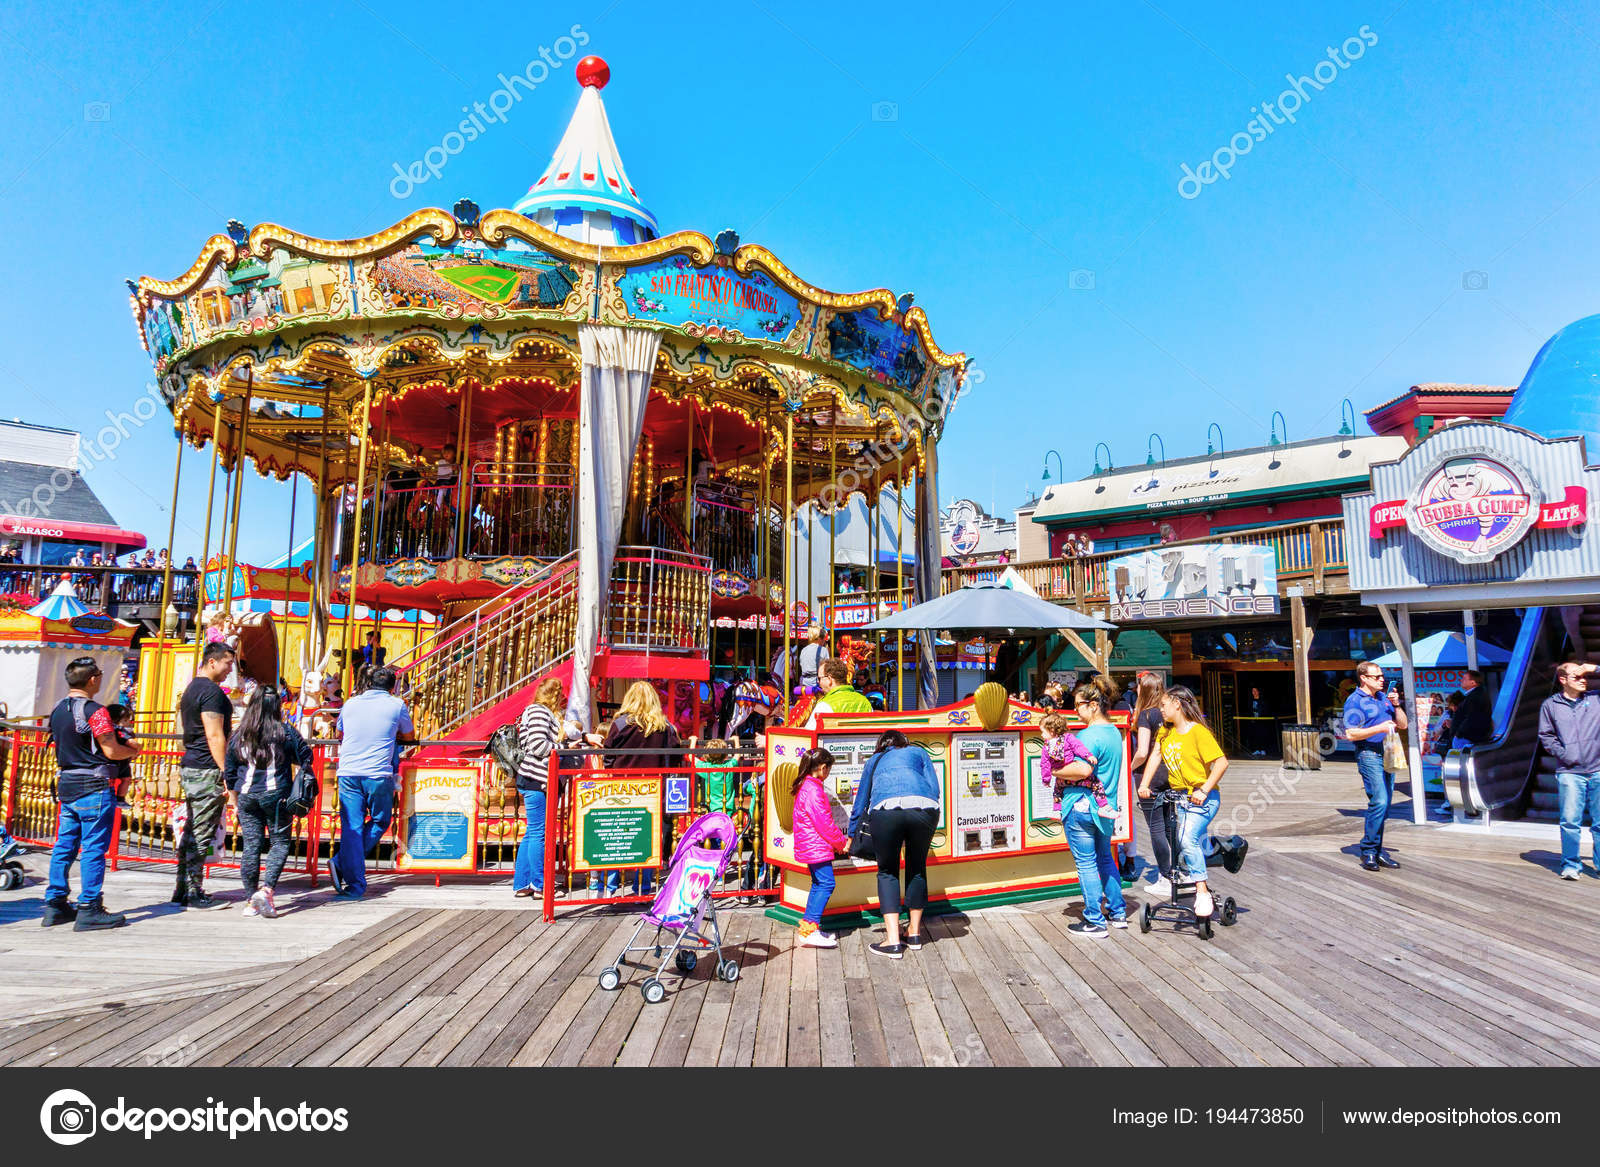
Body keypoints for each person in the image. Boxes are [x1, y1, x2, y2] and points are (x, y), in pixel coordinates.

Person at [42, 656, 142, 930]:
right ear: (93, 679)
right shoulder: (95, 711)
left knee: (64, 846)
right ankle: (90, 906)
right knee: (94, 849)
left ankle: (55, 903)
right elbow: (110, 750)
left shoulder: (58, 709)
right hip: (93, 786)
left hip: (67, 783)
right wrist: (133, 750)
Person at [847, 730, 941, 959]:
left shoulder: (875, 759)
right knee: (917, 868)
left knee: (888, 871)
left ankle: (892, 941)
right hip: (925, 808)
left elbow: (862, 800)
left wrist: (852, 833)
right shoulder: (918, 752)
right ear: (904, 742)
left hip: (886, 811)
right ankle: (915, 934)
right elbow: (935, 789)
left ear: (881, 745)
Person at [225, 685, 314, 918]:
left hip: (246, 794)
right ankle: (266, 890)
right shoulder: (285, 731)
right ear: (277, 706)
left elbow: (230, 770)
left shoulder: (239, 734)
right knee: (280, 842)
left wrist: (234, 800)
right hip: (276, 794)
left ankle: (250, 900)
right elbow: (306, 756)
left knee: (251, 846)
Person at [330, 666, 416, 898]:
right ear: (392, 687)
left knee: (353, 827)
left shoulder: (350, 703)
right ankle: (342, 864)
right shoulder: (396, 705)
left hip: (348, 771)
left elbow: (341, 733)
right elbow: (409, 735)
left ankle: (353, 880)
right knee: (380, 820)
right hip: (377, 772)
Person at [592, 681, 681, 897]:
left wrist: (614, 772)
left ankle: (609, 888)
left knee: (617, 836)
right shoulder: (665, 726)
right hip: (653, 788)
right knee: (649, 837)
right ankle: (643, 887)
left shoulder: (621, 724)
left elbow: (608, 755)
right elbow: (675, 755)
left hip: (623, 788)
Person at [1147, 685, 1227, 918]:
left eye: (1163, 705)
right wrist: (1145, 784)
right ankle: (1213, 850)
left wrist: (1203, 789)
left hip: (1203, 797)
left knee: (1185, 838)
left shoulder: (1198, 732)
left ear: (1177, 705)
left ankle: (1201, 891)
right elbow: (1155, 756)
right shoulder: (1165, 732)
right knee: (1184, 842)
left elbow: (1221, 763)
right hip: (1180, 798)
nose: (1160, 709)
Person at [1062, 681, 1130, 936]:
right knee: (1105, 858)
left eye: (1078, 705)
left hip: (1082, 805)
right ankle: (1118, 912)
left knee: (1087, 863)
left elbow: (1082, 769)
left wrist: (1055, 770)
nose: (1075, 710)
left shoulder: (1089, 735)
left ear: (1092, 705)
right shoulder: (1113, 732)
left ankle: (1094, 920)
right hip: (1106, 807)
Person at [174, 641, 236, 908]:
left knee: (191, 829)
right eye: (227, 664)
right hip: (206, 767)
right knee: (201, 831)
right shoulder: (210, 692)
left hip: (192, 763)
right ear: (213, 662)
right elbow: (214, 734)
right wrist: (226, 771)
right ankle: (193, 890)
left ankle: (182, 887)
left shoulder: (191, 689)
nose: (228, 670)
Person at [1537, 660, 1600, 880]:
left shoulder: (1595, 699)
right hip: (1570, 772)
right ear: (1563, 680)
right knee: (1570, 821)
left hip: (1598, 769)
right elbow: (1546, 736)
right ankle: (1571, 865)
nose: (1583, 680)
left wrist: (1595, 669)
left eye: (1585, 677)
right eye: (1577, 676)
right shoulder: (1551, 705)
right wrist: (1565, 755)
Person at [1342, 663, 1407, 872]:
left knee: (1385, 804)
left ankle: (1377, 851)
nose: (1382, 679)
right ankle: (1368, 850)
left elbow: (1403, 725)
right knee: (1379, 800)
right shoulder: (1354, 701)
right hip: (1369, 753)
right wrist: (1378, 728)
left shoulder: (1383, 698)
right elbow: (1351, 734)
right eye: (1377, 676)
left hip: (1387, 752)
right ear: (1364, 678)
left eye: (1382, 676)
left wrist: (1397, 706)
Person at [790, 747, 851, 948]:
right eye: (829, 770)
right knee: (826, 884)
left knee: (818, 884)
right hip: (816, 846)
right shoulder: (814, 790)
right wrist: (842, 843)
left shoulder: (806, 786)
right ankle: (810, 930)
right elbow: (825, 824)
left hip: (810, 845)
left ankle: (810, 928)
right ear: (823, 768)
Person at [513, 677, 568, 900]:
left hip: (534, 778)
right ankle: (539, 885)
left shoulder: (538, 711)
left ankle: (523, 883)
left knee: (532, 832)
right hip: (538, 779)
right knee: (538, 833)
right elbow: (538, 745)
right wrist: (563, 748)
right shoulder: (539, 711)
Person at [1130, 673, 1175, 897]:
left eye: (1138, 687)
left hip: (1149, 775)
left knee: (1155, 827)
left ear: (1144, 690)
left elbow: (1142, 751)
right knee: (1169, 826)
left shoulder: (1146, 715)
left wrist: (1128, 768)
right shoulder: (1167, 713)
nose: (1136, 691)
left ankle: (1165, 876)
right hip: (1170, 774)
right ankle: (1176, 871)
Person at [1039, 712, 1115, 820]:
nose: (1042, 735)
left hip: (1062, 779)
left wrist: (1046, 779)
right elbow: (1078, 747)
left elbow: (1045, 764)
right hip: (1075, 773)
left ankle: (1057, 810)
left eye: (1043, 732)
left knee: (1057, 793)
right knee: (1096, 784)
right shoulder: (1068, 738)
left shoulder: (1046, 747)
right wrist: (1088, 756)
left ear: (1051, 731)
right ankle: (1103, 806)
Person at [804, 657, 873, 728]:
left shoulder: (825, 705)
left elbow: (809, 733)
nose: (818, 682)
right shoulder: (866, 702)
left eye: (819, 678)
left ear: (829, 679)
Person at [1450, 669, 1493, 750]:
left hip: (1466, 739)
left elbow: (1473, 718)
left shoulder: (1475, 696)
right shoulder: (1473, 695)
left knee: (1463, 761)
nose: (1461, 680)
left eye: (1464, 678)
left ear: (1473, 682)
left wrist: (1459, 734)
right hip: (1465, 738)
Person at [797, 627, 830, 695]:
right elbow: (827, 668)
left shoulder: (804, 650)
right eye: (823, 639)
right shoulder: (823, 650)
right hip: (817, 683)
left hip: (804, 683)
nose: (824, 641)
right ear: (819, 638)